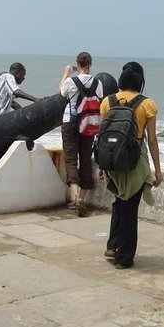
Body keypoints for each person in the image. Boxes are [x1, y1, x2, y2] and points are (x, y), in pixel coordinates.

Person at [99, 62, 163, 269]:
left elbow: (101, 136)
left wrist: (100, 166)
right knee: (130, 208)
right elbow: (151, 140)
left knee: (119, 202)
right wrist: (158, 170)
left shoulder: (107, 102)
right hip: (135, 162)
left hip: (112, 159)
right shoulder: (147, 104)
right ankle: (124, 257)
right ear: (140, 81)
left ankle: (113, 245)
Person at [59, 52, 103, 216]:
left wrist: (66, 74)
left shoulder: (70, 81)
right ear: (90, 64)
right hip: (89, 124)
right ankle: (82, 199)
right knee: (85, 159)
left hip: (70, 123)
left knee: (70, 160)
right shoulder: (97, 83)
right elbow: (99, 98)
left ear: (77, 64)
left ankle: (75, 197)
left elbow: (61, 93)